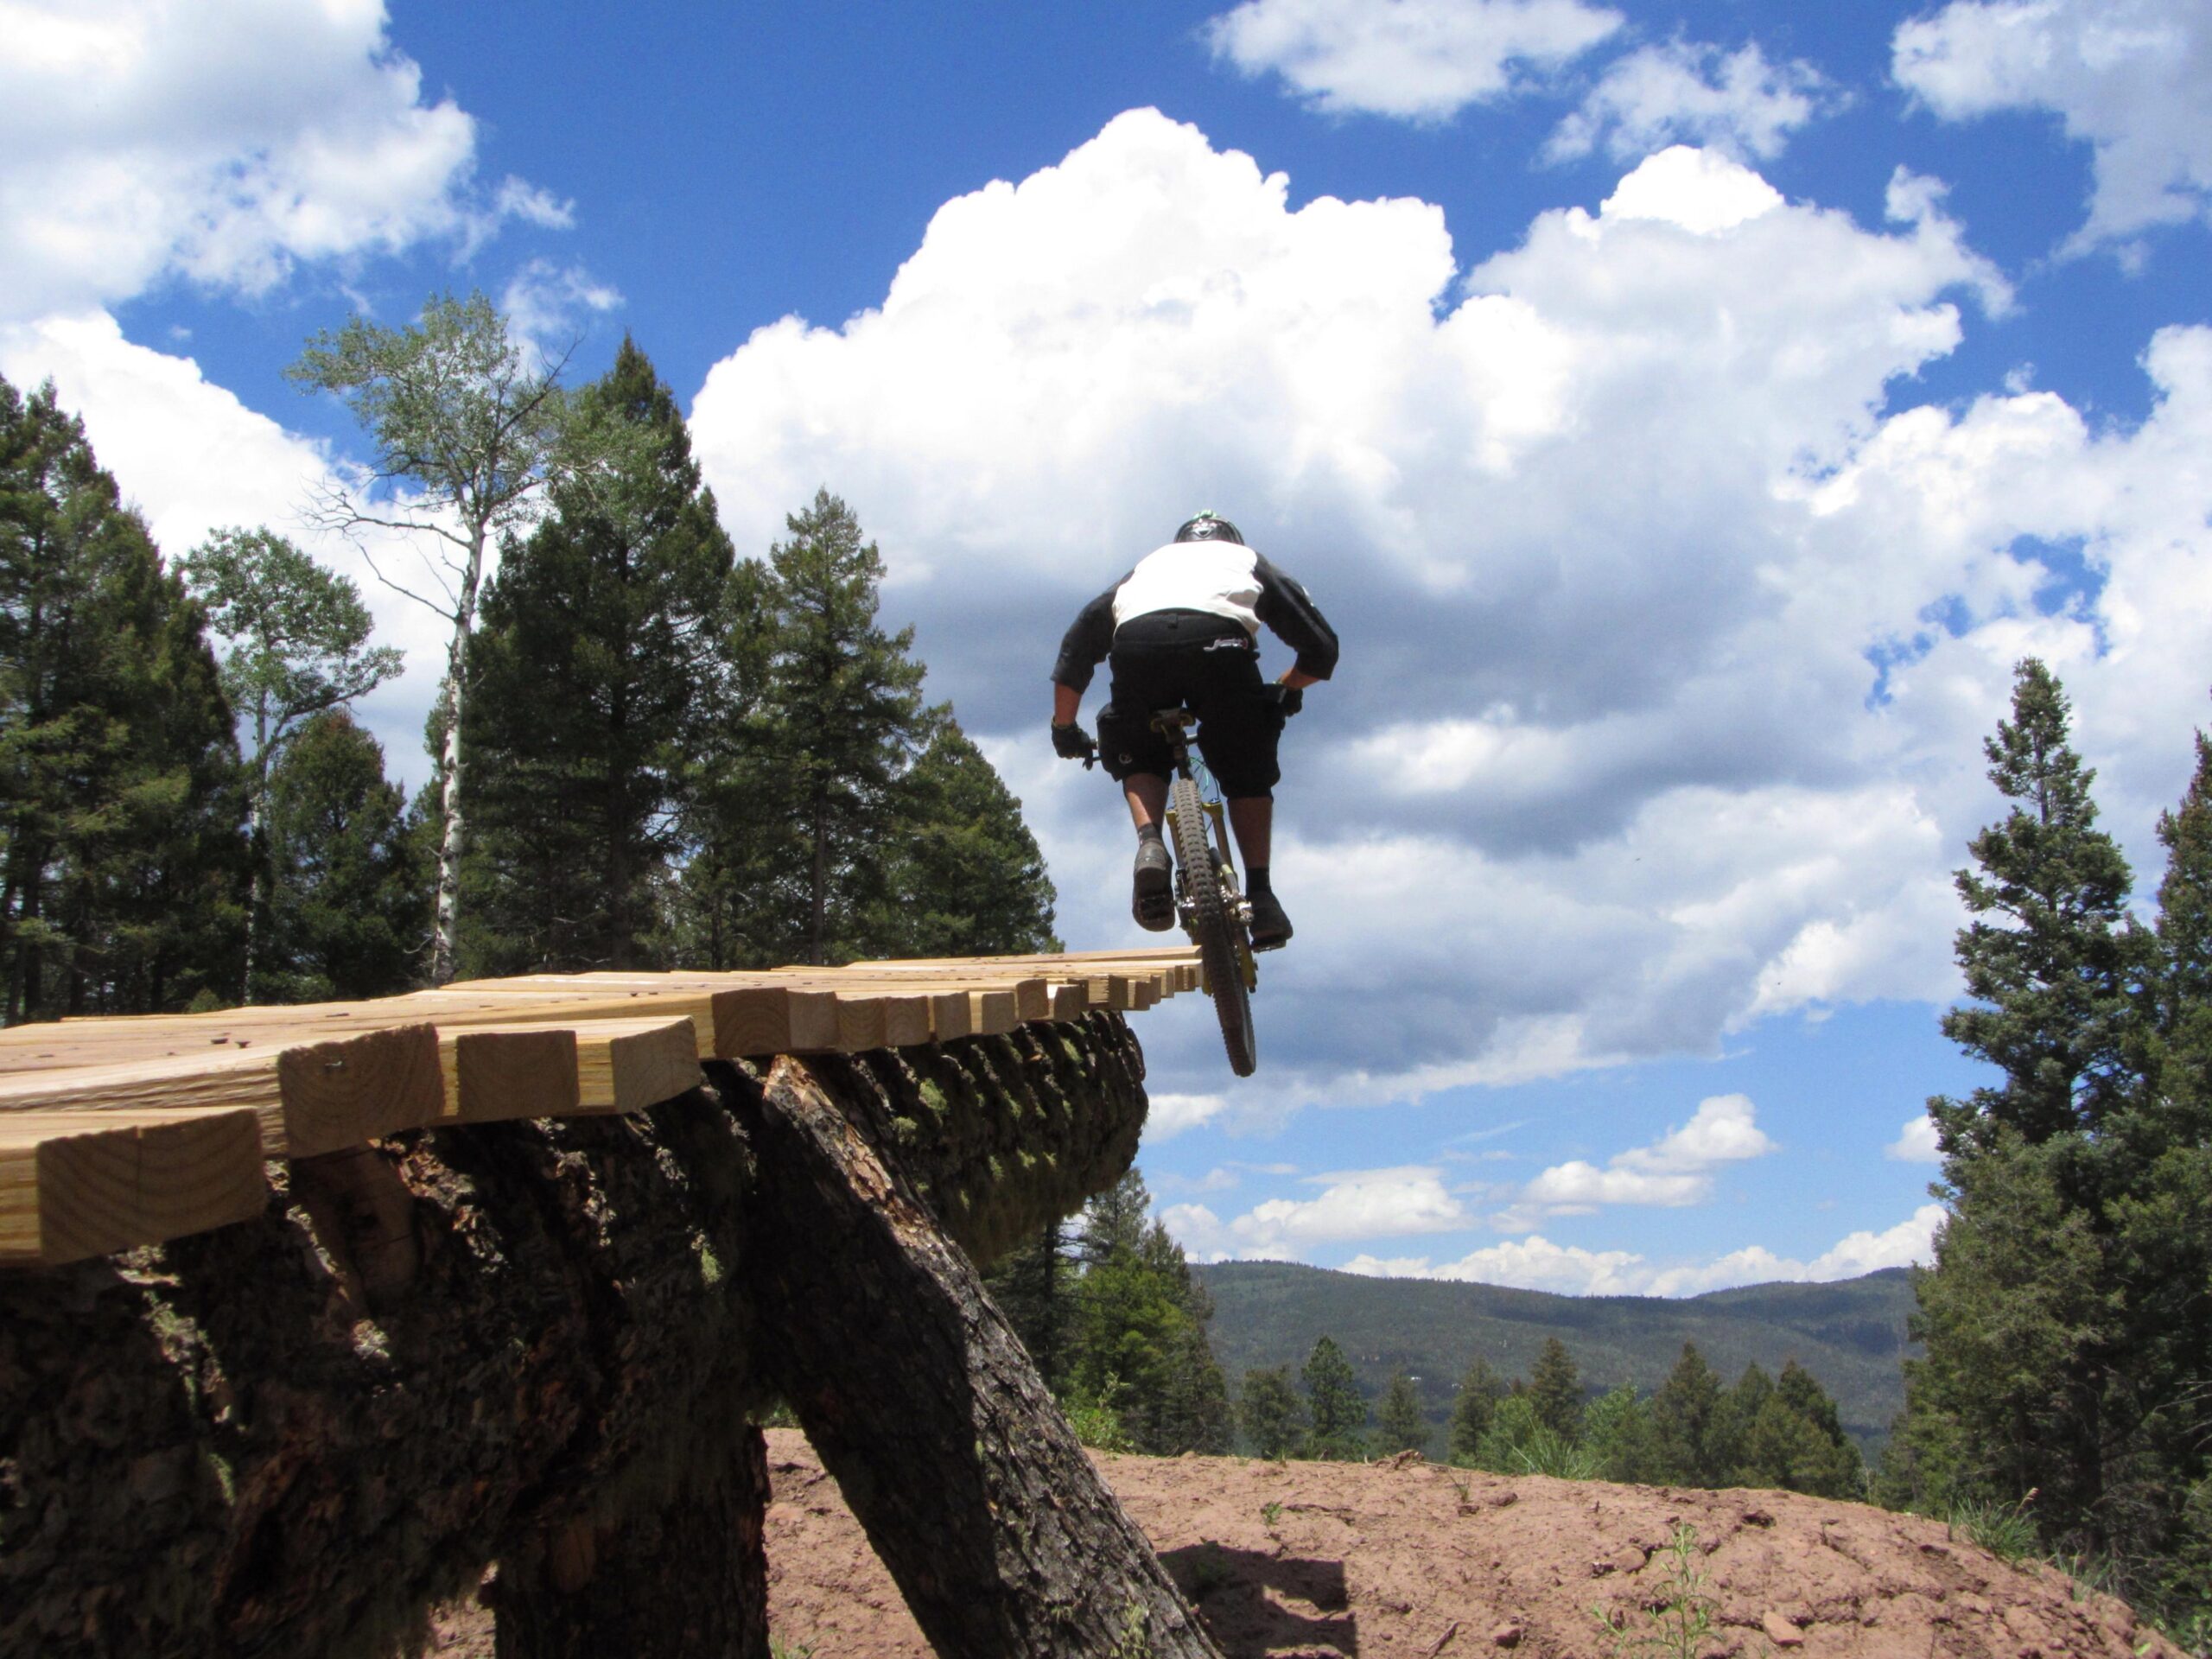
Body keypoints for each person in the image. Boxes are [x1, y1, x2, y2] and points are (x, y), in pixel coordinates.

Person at [1050, 512, 1338, 949]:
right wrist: (1284, 689)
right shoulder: (1244, 559)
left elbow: (1077, 647)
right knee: (1245, 766)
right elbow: (1321, 650)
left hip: (1137, 644)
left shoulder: (1147, 568)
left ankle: (1150, 844)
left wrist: (1064, 727)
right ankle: (1261, 896)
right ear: (1230, 540)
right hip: (1219, 644)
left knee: (1138, 744)